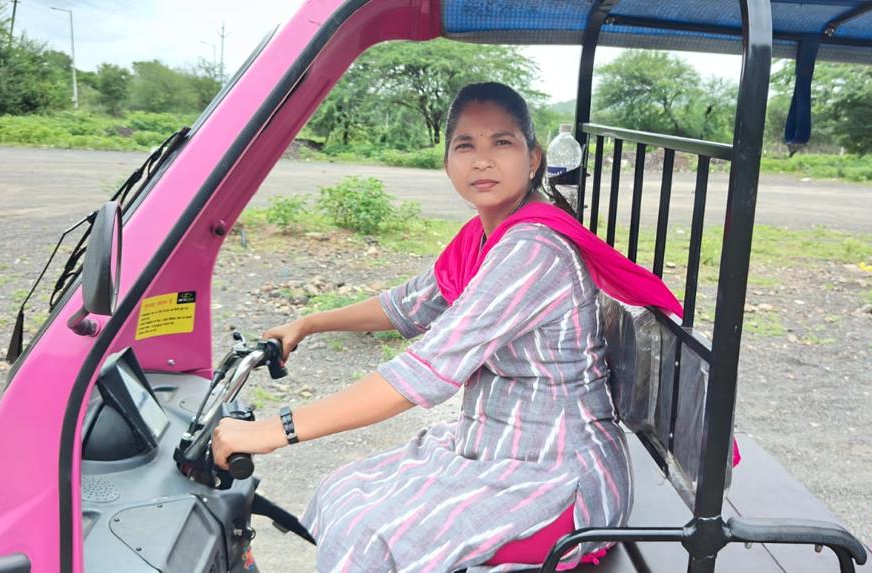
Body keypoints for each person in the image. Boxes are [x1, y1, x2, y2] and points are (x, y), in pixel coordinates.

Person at [210, 82, 681, 572]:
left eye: (502, 142)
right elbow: (408, 305)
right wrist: (308, 323)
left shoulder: (532, 250)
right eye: (465, 145)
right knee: (341, 490)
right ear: (448, 163)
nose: (483, 160)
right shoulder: (484, 237)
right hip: (491, 446)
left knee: (368, 534)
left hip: (555, 475)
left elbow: (426, 371)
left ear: (534, 159)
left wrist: (276, 430)